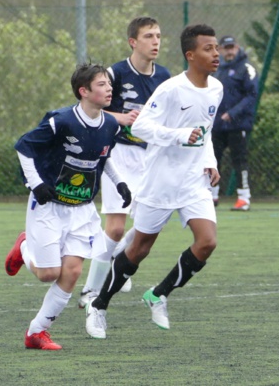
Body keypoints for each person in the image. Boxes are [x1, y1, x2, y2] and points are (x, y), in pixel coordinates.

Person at [84, 24, 223, 339]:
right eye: (208, 49)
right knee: (139, 249)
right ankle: (100, 304)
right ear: (191, 55)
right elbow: (142, 127)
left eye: (216, 48)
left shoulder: (216, 88)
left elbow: (206, 130)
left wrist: (210, 160)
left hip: (192, 182)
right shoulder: (172, 88)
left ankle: (159, 294)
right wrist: (178, 135)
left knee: (207, 242)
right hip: (159, 181)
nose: (215, 54)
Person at [4, 63, 132, 350]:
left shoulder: (111, 124)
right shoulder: (61, 120)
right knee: (48, 274)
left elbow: (103, 157)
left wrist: (120, 182)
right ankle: (24, 247)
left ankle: (36, 332)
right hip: (49, 206)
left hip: (82, 210)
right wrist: (36, 183)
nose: (109, 88)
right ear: (83, 91)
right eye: (101, 84)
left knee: (71, 272)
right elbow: (23, 147)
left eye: (109, 84)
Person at [77, 16, 172, 309]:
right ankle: (90, 291)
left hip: (150, 158)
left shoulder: (165, 77)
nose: (155, 41)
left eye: (158, 36)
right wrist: (122, 118)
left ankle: (116, 258)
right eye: (148, 36)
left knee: (147, 225)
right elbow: (92, 109)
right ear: (133, 42)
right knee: (116, 228)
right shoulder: (115, 73)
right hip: (118, 154)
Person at [210, 35, 258, 211]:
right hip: (217, 125)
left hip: (238, 125)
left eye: (232, 47)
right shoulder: (217, 69)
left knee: (239, 161)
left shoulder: (246, 69)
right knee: (212, 160)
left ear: (237, 48)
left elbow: (251, 95)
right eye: (226, 48)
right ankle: (212, 196)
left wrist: (232, 113)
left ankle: (243, 198)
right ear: (221, 50)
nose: (229, 51)